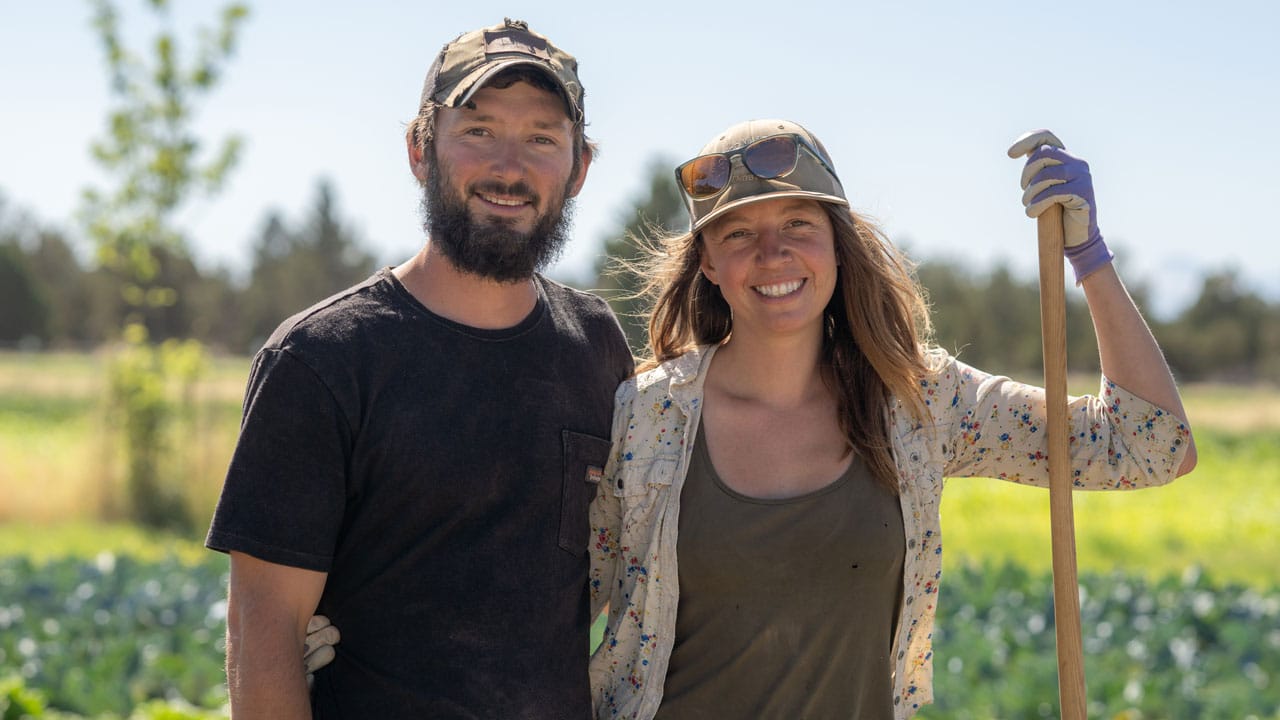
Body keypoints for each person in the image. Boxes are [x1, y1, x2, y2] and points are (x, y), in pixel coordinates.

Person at [582, 119, 1196, 719]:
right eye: (737, 234)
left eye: (798, 223)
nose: (773, 254)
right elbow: (564, 611)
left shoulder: (918, 402)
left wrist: (1088, 256)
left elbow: (1149, 446)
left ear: (838, 245)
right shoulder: (648, 417)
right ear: (709, 264)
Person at [205, 17, 633, 718]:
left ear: (579, 168)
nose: (508, 167)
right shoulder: (323, 360)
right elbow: (264, 634)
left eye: (541, 139)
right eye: (478, 130)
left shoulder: (596, 346)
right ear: (419, 149)